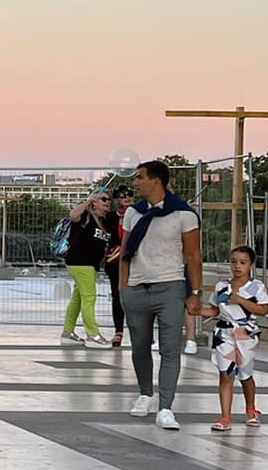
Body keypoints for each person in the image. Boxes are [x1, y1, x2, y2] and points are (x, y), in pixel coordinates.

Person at [120, 159, 203, 431]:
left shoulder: (183, 213)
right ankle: (145, 394)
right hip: (137, 288)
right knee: (140, 347)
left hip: (170, 286)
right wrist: (123, 289)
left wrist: (195, 292)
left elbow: (193, 255)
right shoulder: (133, 212)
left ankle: (166, 407)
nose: (135, 182)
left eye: (140, 177)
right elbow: (125, 252)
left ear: (156, 181)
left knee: (170, 349)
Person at [209, 247, 267, 432]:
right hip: (224, 333)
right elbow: (215, 310)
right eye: (233, 262)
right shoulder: (221, 286)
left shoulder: (256, 287)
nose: (237, 266)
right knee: (226, 373)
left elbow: (263, 310)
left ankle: (250, 409)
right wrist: (196, 311)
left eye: (243, 262)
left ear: (251, 265)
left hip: (245, 334)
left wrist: (241, 300)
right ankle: (225, 417)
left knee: (245, 373)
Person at [60, 192, 112, 347]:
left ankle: (68, 333)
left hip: (91, 264)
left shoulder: (105, 221)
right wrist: (88, 201)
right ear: (94, 203)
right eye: (103, 199)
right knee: (89, 297)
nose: (107, 201)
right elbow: (73, 215)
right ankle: (93, 335)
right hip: (81, 262)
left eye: (109, 199)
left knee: (78, 298)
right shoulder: (85, 216)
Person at [103, 185, 133, 347]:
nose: (127, 198)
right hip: (115, 261)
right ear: (116, 200)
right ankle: (118, 331)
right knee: (117, 295)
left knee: (136, 295)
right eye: (122, 196)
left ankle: (140, 331)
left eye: (129, 195)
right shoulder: (109, 218)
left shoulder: (138, 215)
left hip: (134, 260)